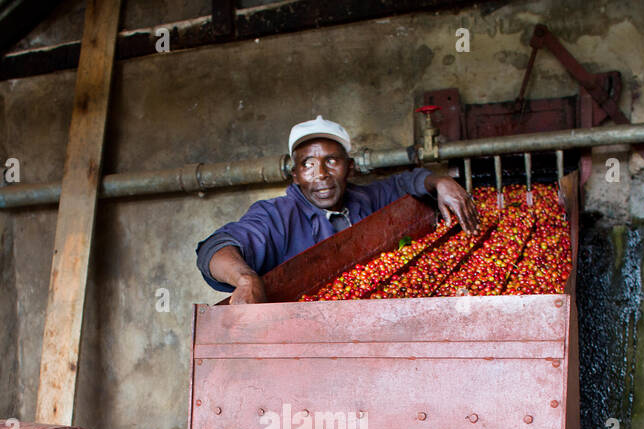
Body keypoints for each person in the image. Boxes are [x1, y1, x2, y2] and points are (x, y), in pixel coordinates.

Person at [196, 116, 478, 303]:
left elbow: (405, 182)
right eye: (307, 164)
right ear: (294, 175)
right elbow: (216, 248)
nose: (320, 174)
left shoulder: (366, 198)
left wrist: (440, 181)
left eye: (332, 161)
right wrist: (244, 279)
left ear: (350, 167)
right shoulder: (277, 216)